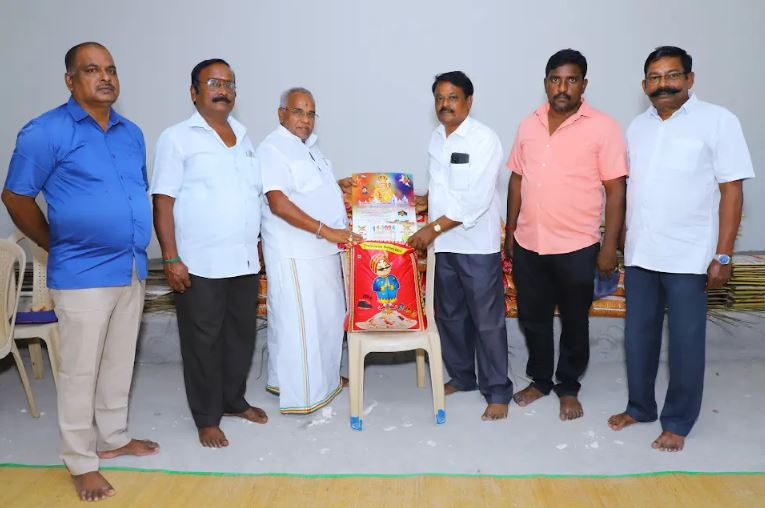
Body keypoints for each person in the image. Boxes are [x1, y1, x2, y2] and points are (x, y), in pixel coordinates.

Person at [2, 42, 158, 502]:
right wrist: (53, 242)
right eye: (92, 70)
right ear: (70, 81)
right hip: (82, 272)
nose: (105, 77)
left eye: (111, 69)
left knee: (118, 362)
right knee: (79, 371)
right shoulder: (45, 131)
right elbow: (15, 196)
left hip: (130, 265)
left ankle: (113, 438)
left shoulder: (131, 133)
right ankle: (80, 461)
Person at [608, 46, 755, 451]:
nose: (663, 84)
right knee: (638, 338)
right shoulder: (637, 127)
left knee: (686, 344)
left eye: (672, 75)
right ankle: (640, 407)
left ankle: (677, 421)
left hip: (691, 256)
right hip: (641, 254)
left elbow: (732, 191)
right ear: (644, 85)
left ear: (690, 79)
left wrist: (723, 254)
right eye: (654, 78)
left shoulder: (718, 121)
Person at [505, 49, 627, 421]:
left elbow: (616, 190)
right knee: (533, 319)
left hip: (577, 246)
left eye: (571, 79)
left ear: (583, 84)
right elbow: (516, 179)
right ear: (546, 83)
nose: (562, 87)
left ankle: (568, 386)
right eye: (555, 79)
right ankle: (540, 380)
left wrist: (609, 247)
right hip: (529, 243)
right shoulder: (528, 124)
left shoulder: (603, 127)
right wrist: (511, 231)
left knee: (575, 322)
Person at [151, 59, 267, 448]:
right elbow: (163, 200)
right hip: (198, 263)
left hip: (243, 261)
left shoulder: (244, 137)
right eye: (214, 83)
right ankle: (206, 416)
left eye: (230, 84)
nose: (223, 90)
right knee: (202, 343)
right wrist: (170, 258)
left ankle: (233, 401)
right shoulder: (177, 138)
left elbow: (252, 197)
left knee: (240, 337)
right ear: (194, 92)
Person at [408, 71, 512, 421]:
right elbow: (443, 186)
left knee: (487, 321)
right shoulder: (437, 137)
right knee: (450, 316)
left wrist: (431, 228)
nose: (445, 104)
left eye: (452, 97)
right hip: (443, 246)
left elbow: (476, 200)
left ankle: (497, 391)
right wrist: (422, 200)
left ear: (469, 101)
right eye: (439, 98)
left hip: (475, 244)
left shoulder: (484, 139)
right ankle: (464, 376)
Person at [256, 87, 361, 414]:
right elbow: (278, 202)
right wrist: (326, 230)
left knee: (327, 319)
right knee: (301, 325)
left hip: (323, 251)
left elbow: (307, 191)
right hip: (297, 252)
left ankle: (318, 380)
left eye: (310, 113)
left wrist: (337, 185)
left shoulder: (309, 148)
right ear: (281, 114)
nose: (305, 119)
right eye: (298, 112)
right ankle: (304, 394)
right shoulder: (273, 148)